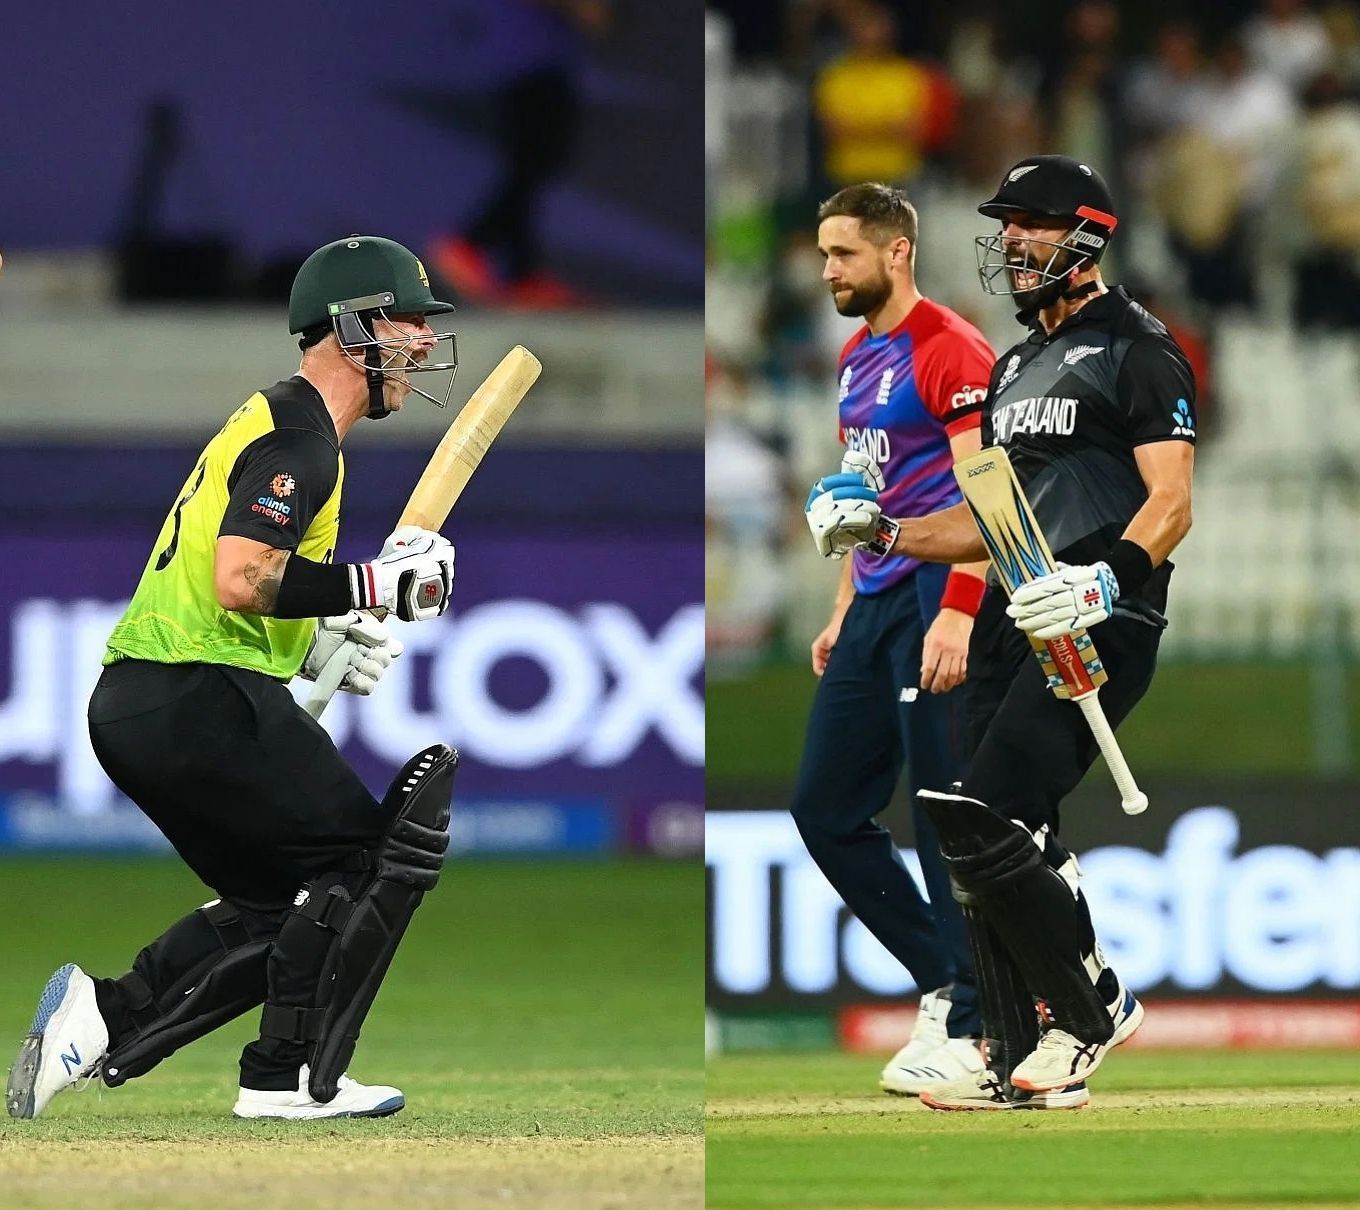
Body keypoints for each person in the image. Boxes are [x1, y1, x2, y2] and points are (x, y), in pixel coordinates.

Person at [7, 236, 465, 1122]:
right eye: (405, 321)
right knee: (368, 866)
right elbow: (241, 576)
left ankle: (103, 1013)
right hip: (193, 691)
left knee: (277, 904)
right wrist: (375, 585)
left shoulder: (277, 423)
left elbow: (248, 587)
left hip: (147, 699)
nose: (418, 341)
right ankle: (286, 1078)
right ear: (353, 326)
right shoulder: (301, 438)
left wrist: (322, 624)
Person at [810, 156, 1196, 1110]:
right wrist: (888, 532)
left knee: (987, 813)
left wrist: (1106, 579)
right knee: (968, 825)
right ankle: (1008, 1048)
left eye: (1032, 222)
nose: (1012, 239)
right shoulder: (1018, 364)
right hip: (1011, 617)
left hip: (1098, 618)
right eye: (1006, 223)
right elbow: (992, 516)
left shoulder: (1138, 347)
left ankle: (1088, 1005)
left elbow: (1173, 502)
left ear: (1089, 234)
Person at [798, 182, 995, 1095]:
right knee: (824, 807)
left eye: (843, 254)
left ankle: (975, 1019)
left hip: (932, 590)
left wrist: (958, 609)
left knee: (940, 809)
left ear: (897, 251)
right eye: (826, 254)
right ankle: (949, 979)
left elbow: (988, 502)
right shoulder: (855, 355)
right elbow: (854, 496)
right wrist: (841, 607)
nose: (828, 269)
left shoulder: (951, 352)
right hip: (875, 597)